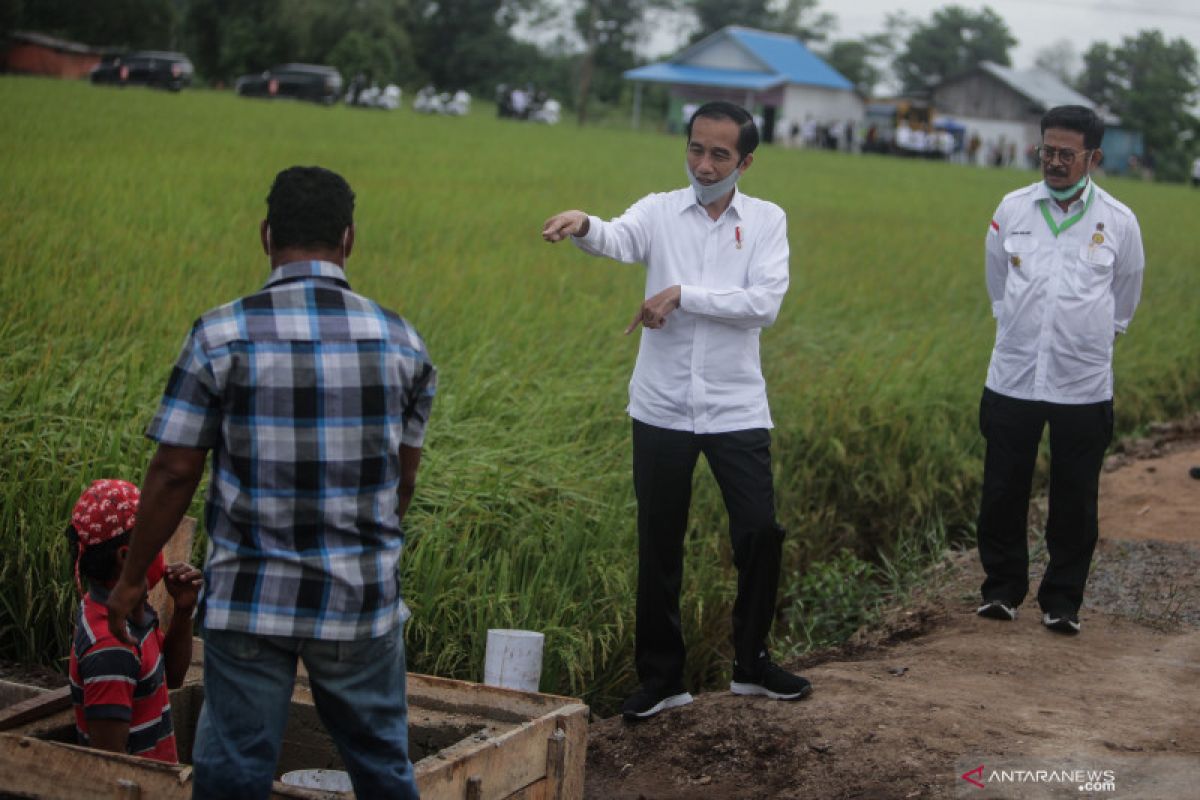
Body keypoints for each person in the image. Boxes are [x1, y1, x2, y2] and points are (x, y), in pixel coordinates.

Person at [106, 166, 436, 799]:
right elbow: (404, 481)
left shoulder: (217, 335)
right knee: (382, 767)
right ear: (348, 240)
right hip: (359, 600)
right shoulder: (403, 344)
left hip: (250, 598)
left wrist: (129, 583)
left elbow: (176, 469)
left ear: (265, 235)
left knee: (233, 770)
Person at [542, 101, 811, 721]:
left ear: (746, 160)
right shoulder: (661, 210)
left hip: (735, 406)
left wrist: (682, 294)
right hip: (661, 406)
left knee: (758, 532)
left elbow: (763, 303)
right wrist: (584, 223)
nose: (705, 164)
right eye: (696, 149)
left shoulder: (767, 220)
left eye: (720, 154)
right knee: (659, 545)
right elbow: (617, 236)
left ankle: (753, 664)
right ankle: (662, 680)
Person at [976, 105, 1144, 635]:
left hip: (1082, 383)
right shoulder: (1013, 207)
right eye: (1047, 151)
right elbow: (998, 283)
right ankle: (1001, 590)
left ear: (1092, 157)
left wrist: (1087, 337)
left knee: (1075, 497)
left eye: (1065, 154)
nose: (1054, 161)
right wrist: (1022, 332)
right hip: (1014, 377)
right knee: (1003, 489)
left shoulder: (1118, 221)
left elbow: (1124, 300)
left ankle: (1062, 601)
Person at [66, 479, 202, 763]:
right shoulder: (111, 647)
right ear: (127, 556)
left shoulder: (131, 614)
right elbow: (111, 768)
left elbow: (171, 678)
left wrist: (183, 611)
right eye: (155, 541)